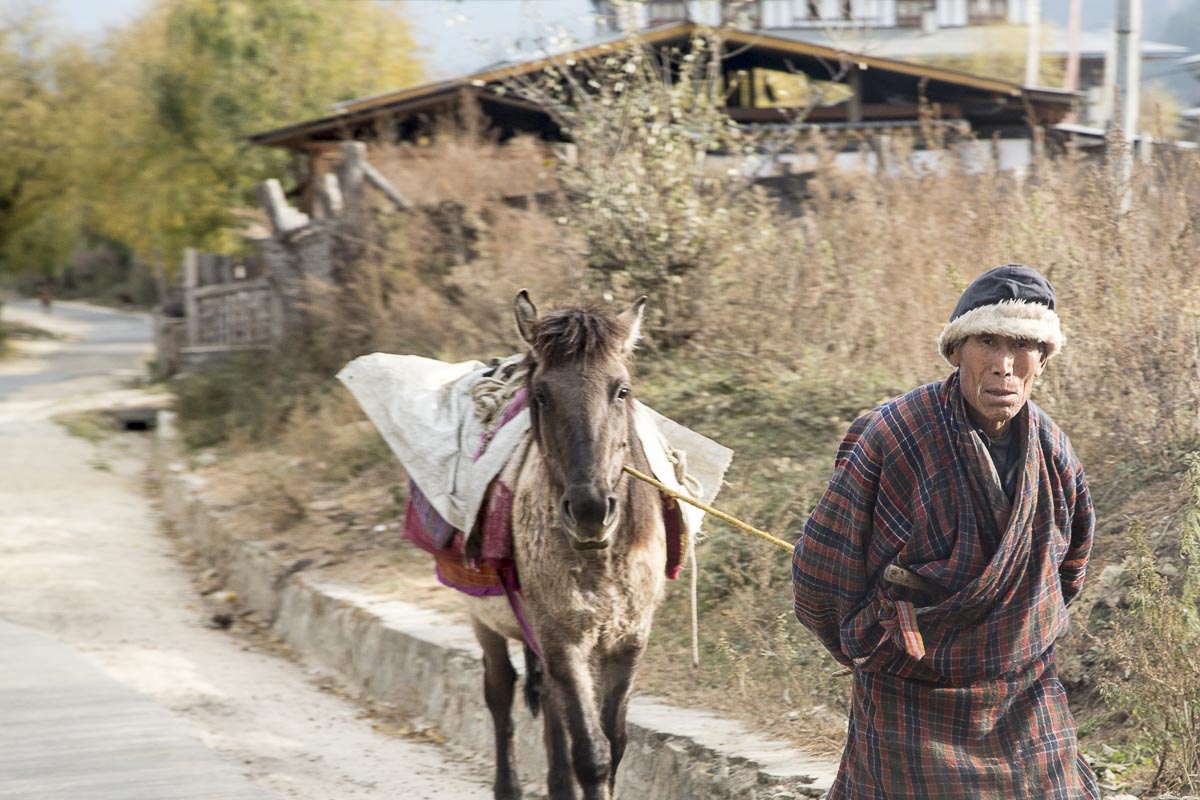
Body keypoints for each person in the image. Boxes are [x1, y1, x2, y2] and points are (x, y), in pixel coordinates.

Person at [792, 264, 1097, 799]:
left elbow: (1068, 571)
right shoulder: (895, 435)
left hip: (1022, 698)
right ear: (956, 352)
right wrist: (875, 649)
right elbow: (821, 574)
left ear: (1043, 361)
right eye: (986, 341)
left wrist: (1010, 631)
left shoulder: (1053, 453)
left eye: (1023, 346)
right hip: (909, 698)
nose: (1003, 365)